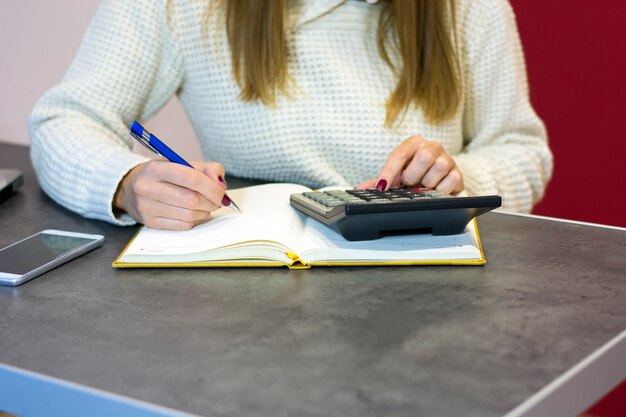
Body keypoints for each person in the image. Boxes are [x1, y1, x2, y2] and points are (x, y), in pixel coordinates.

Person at [29, 0, 552, 231]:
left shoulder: (472, 8)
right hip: (242, 301)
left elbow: (522, 148)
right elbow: (65, 119)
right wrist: (125, 183)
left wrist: (460, 182)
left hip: (433, 303)